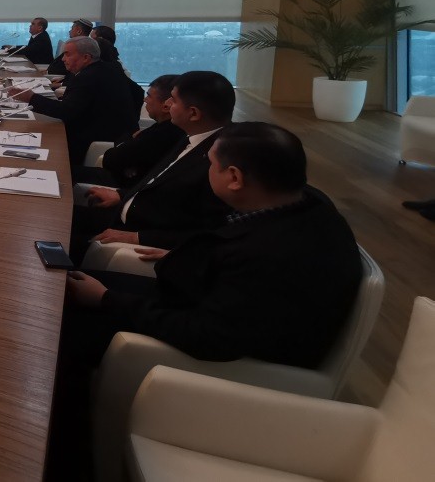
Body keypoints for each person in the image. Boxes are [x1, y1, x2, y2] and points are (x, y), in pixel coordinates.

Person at [64, 122, 362, 369]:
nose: (205, 170)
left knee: (60, 325)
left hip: (217, 353)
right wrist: (193, 254)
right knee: (69, 282)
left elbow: (207, 335)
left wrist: (105, 298)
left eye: (211, 164)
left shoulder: (270, 253)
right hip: (200, 297)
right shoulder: (307, 205)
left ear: (234, 177)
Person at [73, 70, 234, 253]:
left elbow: (209, 232)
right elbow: (157, 183)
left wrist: (137, 237)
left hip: (134, 235)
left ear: (193, 114)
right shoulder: (191, 136)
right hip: (124, 213)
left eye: (173, 100)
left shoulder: (220, 159)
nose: (168, 103)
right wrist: (122, 195)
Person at [11, 37, 138, 165]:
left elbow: (66, 111)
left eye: (67, 54)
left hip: (96, 141)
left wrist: (31, 97)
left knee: (36, 144)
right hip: (115, 132)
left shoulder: (88, 77)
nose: (63, 59)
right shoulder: (105, 68)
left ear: (86, 57)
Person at [96, 74, 185, 187]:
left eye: (149, 96)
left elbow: (110, 159)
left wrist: (131, 138)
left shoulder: (160, 135)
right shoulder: (170, 129)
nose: (145, 99)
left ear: (166, 106)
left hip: (121, 187)